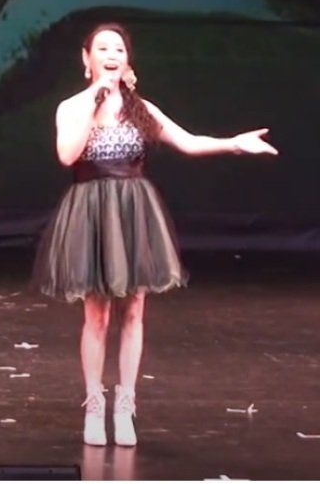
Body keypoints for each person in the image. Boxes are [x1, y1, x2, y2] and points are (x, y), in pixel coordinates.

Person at [29, 23, 277, 446]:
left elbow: (189, 142)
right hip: (92, 212)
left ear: (128, 59)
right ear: (86, 59)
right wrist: (94, 98)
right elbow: (67, 155)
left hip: (133, 212)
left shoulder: (142, 108)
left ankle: (126, 404)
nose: (112, 55)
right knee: (97, 315)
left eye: (119, 49)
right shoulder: (71, 107)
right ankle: (94, 405)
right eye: (103, 49)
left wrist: (234, 144)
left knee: (134, 312)